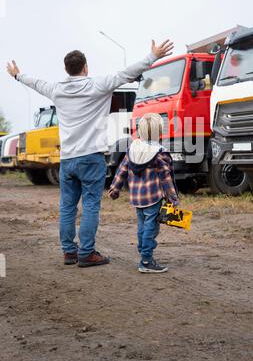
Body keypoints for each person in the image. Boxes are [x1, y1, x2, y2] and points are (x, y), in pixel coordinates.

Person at [6, 40, 174, 267]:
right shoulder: (98, 85)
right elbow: (127, 73)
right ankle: (86, 253)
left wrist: (17, 75)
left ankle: (69, 252)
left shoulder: (56, 89)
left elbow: (35, 83)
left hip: (67, 159)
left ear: (67, 69)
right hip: (92, 157)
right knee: (91, 205)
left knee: (67, 206)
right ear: (85, 67)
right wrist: (152, 56)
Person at [108, 113, 179, 273]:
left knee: (142, 225)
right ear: (159, 132)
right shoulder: (160, 152)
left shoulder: (132, 148)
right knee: (151, 228)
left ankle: (143, 251)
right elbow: (166, 178)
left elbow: (122, 170)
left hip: (136, 197)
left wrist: (115, 188)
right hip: (153, 197)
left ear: (140, 131)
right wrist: (173, 199)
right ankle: (146, 260)